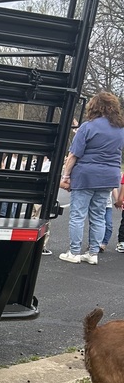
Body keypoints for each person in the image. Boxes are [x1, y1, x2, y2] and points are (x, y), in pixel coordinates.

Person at [58, 91, 124, 264]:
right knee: (98, 215)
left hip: (86, 175)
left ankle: (74, 252)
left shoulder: (88, 127)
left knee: (78, 215)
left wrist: (66, 175)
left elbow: (73, 155)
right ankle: (93, 253)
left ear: (95, 107)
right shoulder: (120, 129)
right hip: (109, 176)